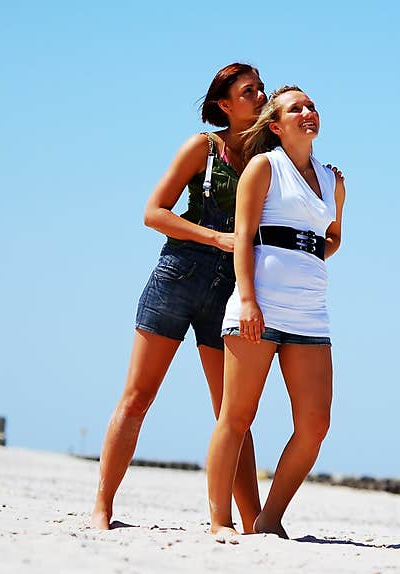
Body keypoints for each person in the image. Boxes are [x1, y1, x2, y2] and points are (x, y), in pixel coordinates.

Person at [91, 63, 267, 532]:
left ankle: (253, 520)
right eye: (249, 91)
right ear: (224, 105)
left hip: (229, 292)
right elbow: (153, 212)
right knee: (137, 397)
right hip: (178, 276)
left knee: (233, 412)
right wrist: (215, 239)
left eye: (261, 89)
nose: (259, 95)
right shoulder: (202, 148)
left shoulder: (271, 158)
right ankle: (103, 508)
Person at [206, 85, 345, 542]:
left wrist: (306, 258)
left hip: (310, 310)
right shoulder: (264, 167)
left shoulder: (334, 180)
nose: (307, 112)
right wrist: (247, 300)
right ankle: (220, 520)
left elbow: (333, 237)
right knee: (237, 415)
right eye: (294, 109)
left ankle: (269, 518)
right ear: (275, 125)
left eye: (311, 106)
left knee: (315, 425)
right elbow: (243, 238)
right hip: (259, 303)